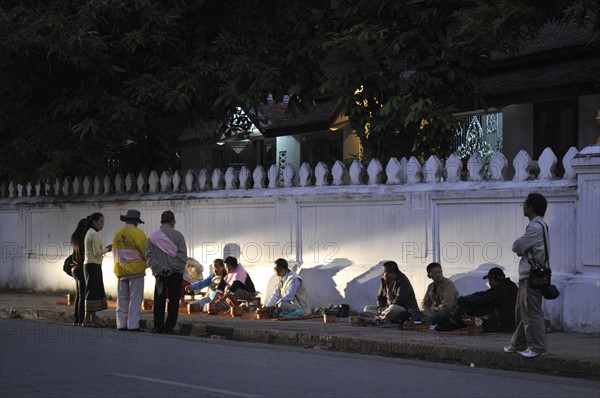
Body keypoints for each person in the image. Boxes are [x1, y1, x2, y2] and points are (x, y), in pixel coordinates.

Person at [504, 193, 549, 358]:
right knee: (522, 312)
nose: (523, 206)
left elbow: (518, 246)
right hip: (532, 274)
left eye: (524, 204)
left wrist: (517, 245)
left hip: (531, 275)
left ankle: (537, 347)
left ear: (531, 207)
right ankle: (518, 344)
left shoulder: (534, 227)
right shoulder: (540, 225)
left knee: (531, 312)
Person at [146, 211, 188, 334]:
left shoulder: (153, 237)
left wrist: (161, 268)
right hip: (175, 274)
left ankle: (158, 327)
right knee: (174, 300)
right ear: (172, 222)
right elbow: (182, 256)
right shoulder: (178, 236)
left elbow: (149, 257)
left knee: (159, 300)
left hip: (160, 274)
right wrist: (171, 267)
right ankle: (169, 327)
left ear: (161, 221)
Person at [112, 209, 148, 331]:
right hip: (136, 271)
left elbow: (115, 253)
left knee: (122, 299)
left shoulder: (117, 234)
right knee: (135, 299)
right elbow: (146, 252)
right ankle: (132, 325)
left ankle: (121, 324)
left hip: (120, 271)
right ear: (136, 221)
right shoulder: (139, 234)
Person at [454, 267, 518, 333]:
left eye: (489, 280)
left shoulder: (501, 291)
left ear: (492, 280)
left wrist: (464, 300)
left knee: (471, 307)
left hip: (503, 324)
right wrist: (470, 297)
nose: (489, 283)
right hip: (508, 322)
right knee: (469, 303)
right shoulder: (508, 287)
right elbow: (485, 294)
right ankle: (458, 322)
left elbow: (483, 300)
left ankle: (456, 323)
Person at [83, 212, 112, 327]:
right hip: (92, 265)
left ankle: (92, 319)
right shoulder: (93, 234)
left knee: (93, 291)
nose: (103, 224)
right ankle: (87, 319)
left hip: (92, 265)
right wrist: (108, 249)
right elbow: (97, 253)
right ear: (94, 222)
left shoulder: (91, 233)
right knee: (92, 291)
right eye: (101, 221)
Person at [421, 262, 460, 330]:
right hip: (436, 313)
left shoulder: (448, 284)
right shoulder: (430, 286)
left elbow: (447, 306)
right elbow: (425, 303)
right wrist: (429, 314)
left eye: (439, 272)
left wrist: (434, 311)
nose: (438, 275)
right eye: (434, 273)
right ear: (429, 276)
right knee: (416, 312)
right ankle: (430, 320)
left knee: (439, 316)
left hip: (451, 313)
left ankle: (430, 321)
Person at [69, 218, 89, 326]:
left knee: (78, 294)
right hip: (81, 268)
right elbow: (83, 256)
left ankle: (76, 319)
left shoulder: (75, 238)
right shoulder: (83, 239)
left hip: (75, 268)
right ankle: (81, 319)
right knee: (82, 295)